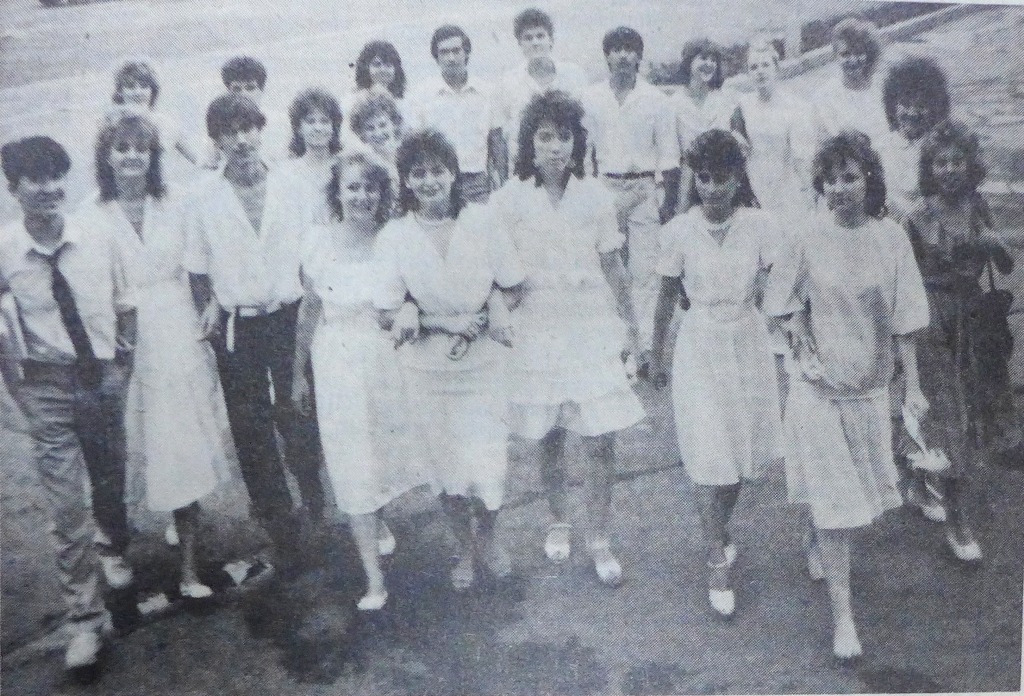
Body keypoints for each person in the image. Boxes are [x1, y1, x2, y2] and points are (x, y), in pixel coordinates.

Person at [763, 131, 929, 660]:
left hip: (870, 386)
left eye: (849, 178)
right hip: (818, 388)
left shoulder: (891, 238)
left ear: (869, 180)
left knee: (853, 496)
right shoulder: (806, 236)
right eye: (830, 179)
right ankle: (844, 618)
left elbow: (907, 316)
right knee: (838, 504)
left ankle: (815, 535)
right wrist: (798, 335)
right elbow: (778, 301)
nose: (838, 188)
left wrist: (913, 387)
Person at [492, 91, 644, 587]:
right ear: (529, 144)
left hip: (589, 326)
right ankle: (558, 519)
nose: (555, 146)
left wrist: (632, 332)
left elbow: (614, 268)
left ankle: (599, 536)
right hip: (537, 329)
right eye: (545, 137)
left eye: (564, 137)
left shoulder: (595, 197)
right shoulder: (509, 200)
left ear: (577, 143)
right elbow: (497, 271)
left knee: (600, 439)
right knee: (549, 434)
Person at [79, 114, 234, 598]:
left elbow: (202, 261)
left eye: (141, 148)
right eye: (121, 148)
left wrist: (211, 303)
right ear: (106, 156)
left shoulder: (175, 201)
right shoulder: (91, 213)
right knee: (125, 450)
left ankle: (188, 567)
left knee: (179, 445)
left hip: (178, 332)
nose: (132, 156)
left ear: (153, 155)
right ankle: (113, 547)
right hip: (122, 341)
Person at [0, 136, 136, 671]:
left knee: (110, 479)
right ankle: (85, 620)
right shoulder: (6, 251)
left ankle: (114, 544)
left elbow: (126, 305)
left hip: (100, 377)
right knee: (65, 508)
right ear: (14, 189)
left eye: (56, 176)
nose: (49, 188)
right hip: (46, 385)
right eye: (35, 179)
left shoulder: (98, 237)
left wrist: (122, 369)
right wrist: (17, 394)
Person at [375, 130, 525, 591]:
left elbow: (514, 285)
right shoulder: (395, 235)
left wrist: (492, 307)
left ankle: (489, 540)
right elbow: (384, 312)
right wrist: (424, 316)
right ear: (405, 180)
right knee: (446, 468)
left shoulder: (483, 220)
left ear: (454, 173)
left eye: (437, 170)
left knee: (487, 463)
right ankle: (463, 547)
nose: (429, 181)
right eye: (417, 173)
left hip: (483, 365)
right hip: (427, 370)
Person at [184, 94, 325, 575]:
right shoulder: (202, 196)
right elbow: (197, 269)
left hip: (290, 317)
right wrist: (209, 310)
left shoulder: (292, 184)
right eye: (229, 132)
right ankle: (281, 529)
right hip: (237, 325)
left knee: (300, 414)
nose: (241, 140)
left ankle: (315, 504)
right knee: (251, 431)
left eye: (248, 128)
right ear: (217, 140)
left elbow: (314, 256)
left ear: (261, 130)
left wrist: (314, 313)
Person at [650, 129, 782, 618]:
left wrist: (792, 328)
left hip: (747, 341)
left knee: (739, 453)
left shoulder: (760, 225)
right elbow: (666, 298)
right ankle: (715, 559)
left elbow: (782, 283)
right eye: (702, 178)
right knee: (709, 452)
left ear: (737, 177)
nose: (711, 188)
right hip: (700, 345)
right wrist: (655, 355)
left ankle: (718, 531)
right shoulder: (679, 231)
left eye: (721, 178)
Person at [293, 150, 423, 610]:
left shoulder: (395, 238)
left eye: (370, 187)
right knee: (351, 461)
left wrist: (410, 308)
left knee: (382, 452)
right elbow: (309, 311)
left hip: (388, 359)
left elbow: (414, 295)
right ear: (337, 193)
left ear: (381, 194)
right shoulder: (317, 242)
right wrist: (298, 375)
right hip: (336, 362)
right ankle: (374, 580)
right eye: (352, 187)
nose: (361, 196)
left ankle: (379, 518)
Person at [903, 121, 1017, 562]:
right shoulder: (916, 216)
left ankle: (917, 479)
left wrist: (992, 241)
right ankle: (958, 519)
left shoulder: (977, 206)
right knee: (948, 416)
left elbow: (1005, 266)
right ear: (929, 168)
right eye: (940, 162)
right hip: (931, 319)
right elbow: (902, 277)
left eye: (957, 161)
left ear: (971, 165)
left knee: (969, 412)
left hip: (973, 322)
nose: (949, 169)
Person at [581, 26, 680, 372]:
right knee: (609, 270)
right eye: (616, 49)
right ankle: (617, 345)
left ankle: (646, 349)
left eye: (629, 49)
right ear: (607, 56)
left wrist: (667, 205)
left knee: (644, 271)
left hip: (643, 188)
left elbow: (669, 155)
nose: (623, 55)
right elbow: (585, 152)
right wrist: (588, 194)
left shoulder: (656, 100)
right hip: (605, 189)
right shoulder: (591, 97)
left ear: (639, 56)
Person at [410, 24, 503, 203]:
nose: (451, 58)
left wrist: (503, 184)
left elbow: (496, 141)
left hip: (476, 183)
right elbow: (415, 145)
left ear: (466, 53)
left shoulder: (487, 92)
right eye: (444, 52)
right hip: (437, 182)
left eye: (456, 51)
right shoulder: (422, 95)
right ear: (436, 57)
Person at [493, 8, 588, 176]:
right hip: (524, 169)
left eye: (540, 36)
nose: (535, 43)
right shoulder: (507, 82)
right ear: (520, 43)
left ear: (551, 40)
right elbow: (499, 134)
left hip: (566, 167)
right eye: (528, 38)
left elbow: (585, 127)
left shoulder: (574, 76)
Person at [671, 38, 744, 213]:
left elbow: (739, 137)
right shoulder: (674, 103)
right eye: (703, 58)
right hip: (689, 181)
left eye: (713, 60)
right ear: (689, 62)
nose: (709, 64)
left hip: (724, 181)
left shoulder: (727, 99)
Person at [878, 56, 951, 222]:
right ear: (892, 105)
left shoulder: (940, 147)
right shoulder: (879, 149)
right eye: (905, 104)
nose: (912, 113)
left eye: (921, 106)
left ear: (935, 108)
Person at [199, 56, 290, 169]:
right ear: (228, 91)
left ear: (261, 90)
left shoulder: (279, 130)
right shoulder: (218, 129)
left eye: (250, 88)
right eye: (236, 89)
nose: (244, 94)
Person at [108, 59, 201, 166]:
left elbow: (197, 160)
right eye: (130, 86)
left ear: (152, 91)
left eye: (144, 86)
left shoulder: (166, 124)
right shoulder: (110, 124)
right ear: (120, 91)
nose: (137, 92)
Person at [815, 18, 889, 146]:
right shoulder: (825, 96)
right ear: (835, 56)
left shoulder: (882, 88)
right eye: (845, 54)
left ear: (868, 53)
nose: (853, 60)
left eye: (859, 53)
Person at [282, 88, 344, 217]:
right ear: (299, 128)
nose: (318, 128)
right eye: (310, 121)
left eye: (324, 121)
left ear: (334, 127)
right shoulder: (288, 173)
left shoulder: (344, 167)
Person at [343, 41, 409, 138]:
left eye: (388, 65)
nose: (383, 70)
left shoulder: (404, 101)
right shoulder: (352, 101)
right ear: (365, 68)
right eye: (377, 64)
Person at [349, 92, 404, 168]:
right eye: (370, 128)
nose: (378, 133)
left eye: (383, 125)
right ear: (362, 134)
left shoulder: (409, 155)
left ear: (394, 124)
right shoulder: (365, 167)